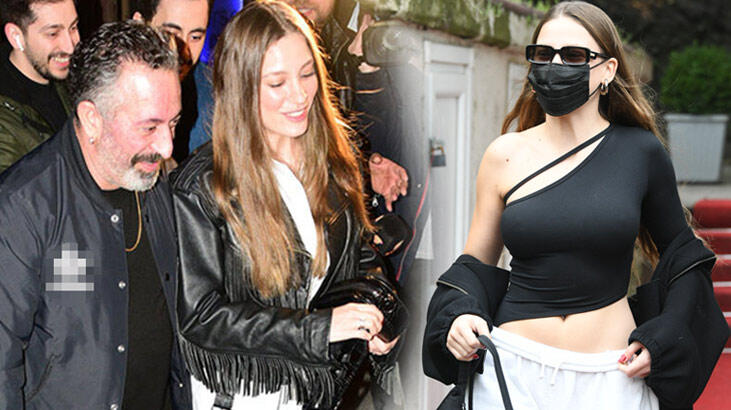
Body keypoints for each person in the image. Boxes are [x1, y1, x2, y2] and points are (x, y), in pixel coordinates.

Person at [423, 2, 726, 409]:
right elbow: (474, 264)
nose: (555, 66)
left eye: (574, 56)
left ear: (608, 70)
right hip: (511, 370)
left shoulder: (641, 153)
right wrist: (460, 314)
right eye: (544, 54)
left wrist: (665, 337)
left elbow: (685, 256)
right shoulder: (504, 154)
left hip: (612, 375)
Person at [170, 1, 399, 408]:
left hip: (314, 387)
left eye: (307, 74)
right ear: (241, 88)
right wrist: (320, 329)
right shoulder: (202, 186)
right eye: (277, 83)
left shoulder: (334, 157)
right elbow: (201, 317)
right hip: (243, 394)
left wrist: (380, 312)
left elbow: (359, 252)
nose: (299, 95)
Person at [0, 21, 191, 409]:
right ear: (91, 118)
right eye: (149, 127)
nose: (167, 146)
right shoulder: (24, 206)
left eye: (173, 122)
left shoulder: (155, 181)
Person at [0, 0, 79, 172]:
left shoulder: (73, 77)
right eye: (53, 34)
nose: (70, 47)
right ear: (16, 36)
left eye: (73, 28)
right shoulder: (5, 118)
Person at [133, 0, 211, 163]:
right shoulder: (110, 89)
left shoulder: (216, 96)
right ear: (139, 24)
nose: (184, 50)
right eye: (171, 34)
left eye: (195, 37)